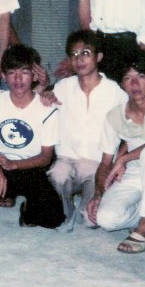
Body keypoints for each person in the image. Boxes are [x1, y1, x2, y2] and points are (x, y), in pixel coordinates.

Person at [0, 45, 64, 237]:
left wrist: (13, 164)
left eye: (24, 72)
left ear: (34, 76)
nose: (18, 79)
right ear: (4, 76)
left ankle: (23, 205)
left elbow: (45, 157)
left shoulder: (48, 109)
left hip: (28, 167)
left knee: (53, 219)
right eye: (12, 73)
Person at [87, 51, 145, 253]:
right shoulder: (114, 116)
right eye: (128, 78)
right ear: (122, 84)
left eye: (141, 76)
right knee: (105, 219)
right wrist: (99, 193)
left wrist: (125, 157)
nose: (135, 84)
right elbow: (105, 162)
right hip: (135, 171)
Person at [48, 30, 127, 232]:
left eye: (85, 53)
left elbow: (127, 132)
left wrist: (121, 160)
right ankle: (66, 212)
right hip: (67, 159)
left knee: (92, 221)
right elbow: (44, 105)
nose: (79, 59)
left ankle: (85, 206)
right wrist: (44, 96)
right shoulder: (63, 87)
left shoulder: (115, 93)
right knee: (57, 174)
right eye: (74, 55)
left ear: (98, 57)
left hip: (97, 165)